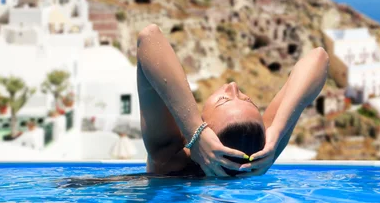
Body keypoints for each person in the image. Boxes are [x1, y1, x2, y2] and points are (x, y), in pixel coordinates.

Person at [137, 23, 329, 178]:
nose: (233, 86)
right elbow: (319, 57)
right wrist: (277, 132)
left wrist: (195, 131)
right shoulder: (255, 163)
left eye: (224, 99)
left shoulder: (169, 160)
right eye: (247, 98)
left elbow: (149, 37)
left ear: (208, 132)